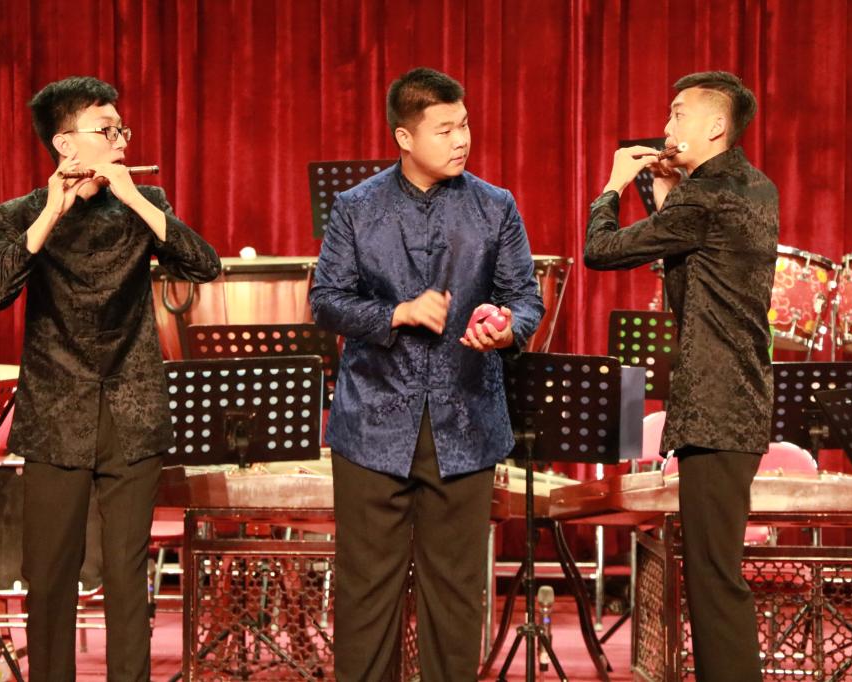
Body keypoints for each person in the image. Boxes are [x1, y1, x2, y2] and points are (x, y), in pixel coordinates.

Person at [0, 76, 220, 682]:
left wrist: (135, 197)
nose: (120, 140)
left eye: (121, 129)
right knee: (49, 575)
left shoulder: (144, 202)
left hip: (132, 409)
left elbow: (204, 265)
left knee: (126, 572)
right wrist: (52, 211)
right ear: (65, 144)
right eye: (106, 130)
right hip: (56, 411)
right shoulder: (20, 213)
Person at [310, 67, 545, 681]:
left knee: (456, 598)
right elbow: (326, 300)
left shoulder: (495, 206)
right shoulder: (356, 207)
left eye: (464, 124)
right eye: (444, 129)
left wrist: (507, 326)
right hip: (371, 428)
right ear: (404, 137)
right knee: (367, 595)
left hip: (465, 424)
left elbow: (526, 299)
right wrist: (397, 313)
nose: (461, 139)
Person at [584, 70, 777, 682]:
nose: (666, 127)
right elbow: (695, 276)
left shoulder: (704, 198)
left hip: (716, 404)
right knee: (714, 573)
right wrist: (670, 195)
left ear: (716, 125)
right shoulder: (755, 187)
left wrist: (613, 187)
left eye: (677, 114)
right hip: (739, 397)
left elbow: (600, 251)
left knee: (713, 578)